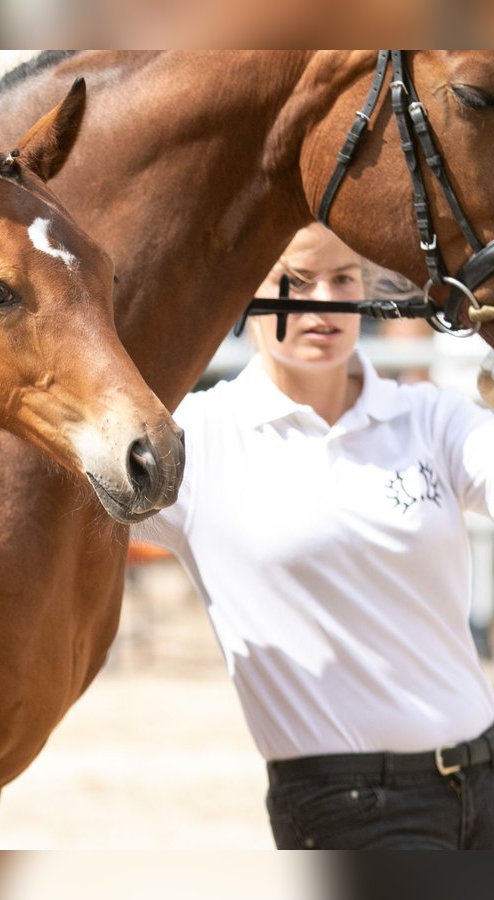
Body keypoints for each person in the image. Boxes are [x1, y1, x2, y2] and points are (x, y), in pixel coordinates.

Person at [132, 223, 494, 849]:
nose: (323, 302)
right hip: (349, 807)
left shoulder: (430, 416)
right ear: (245, 295)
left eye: (343, 279)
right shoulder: (198, 440)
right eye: (294, 282)